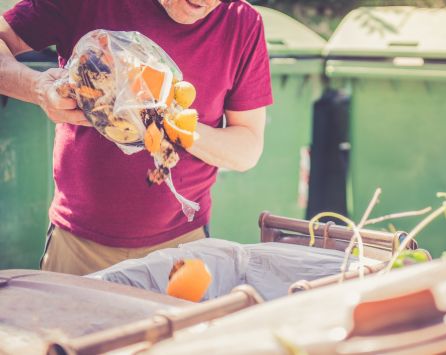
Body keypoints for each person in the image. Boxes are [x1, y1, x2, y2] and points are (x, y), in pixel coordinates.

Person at [0, 0, 273, 275]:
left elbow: (247, 147)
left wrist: (174, 124)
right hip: (77, 246)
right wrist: (35, 87)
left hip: (183, 249)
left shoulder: (242, 22)